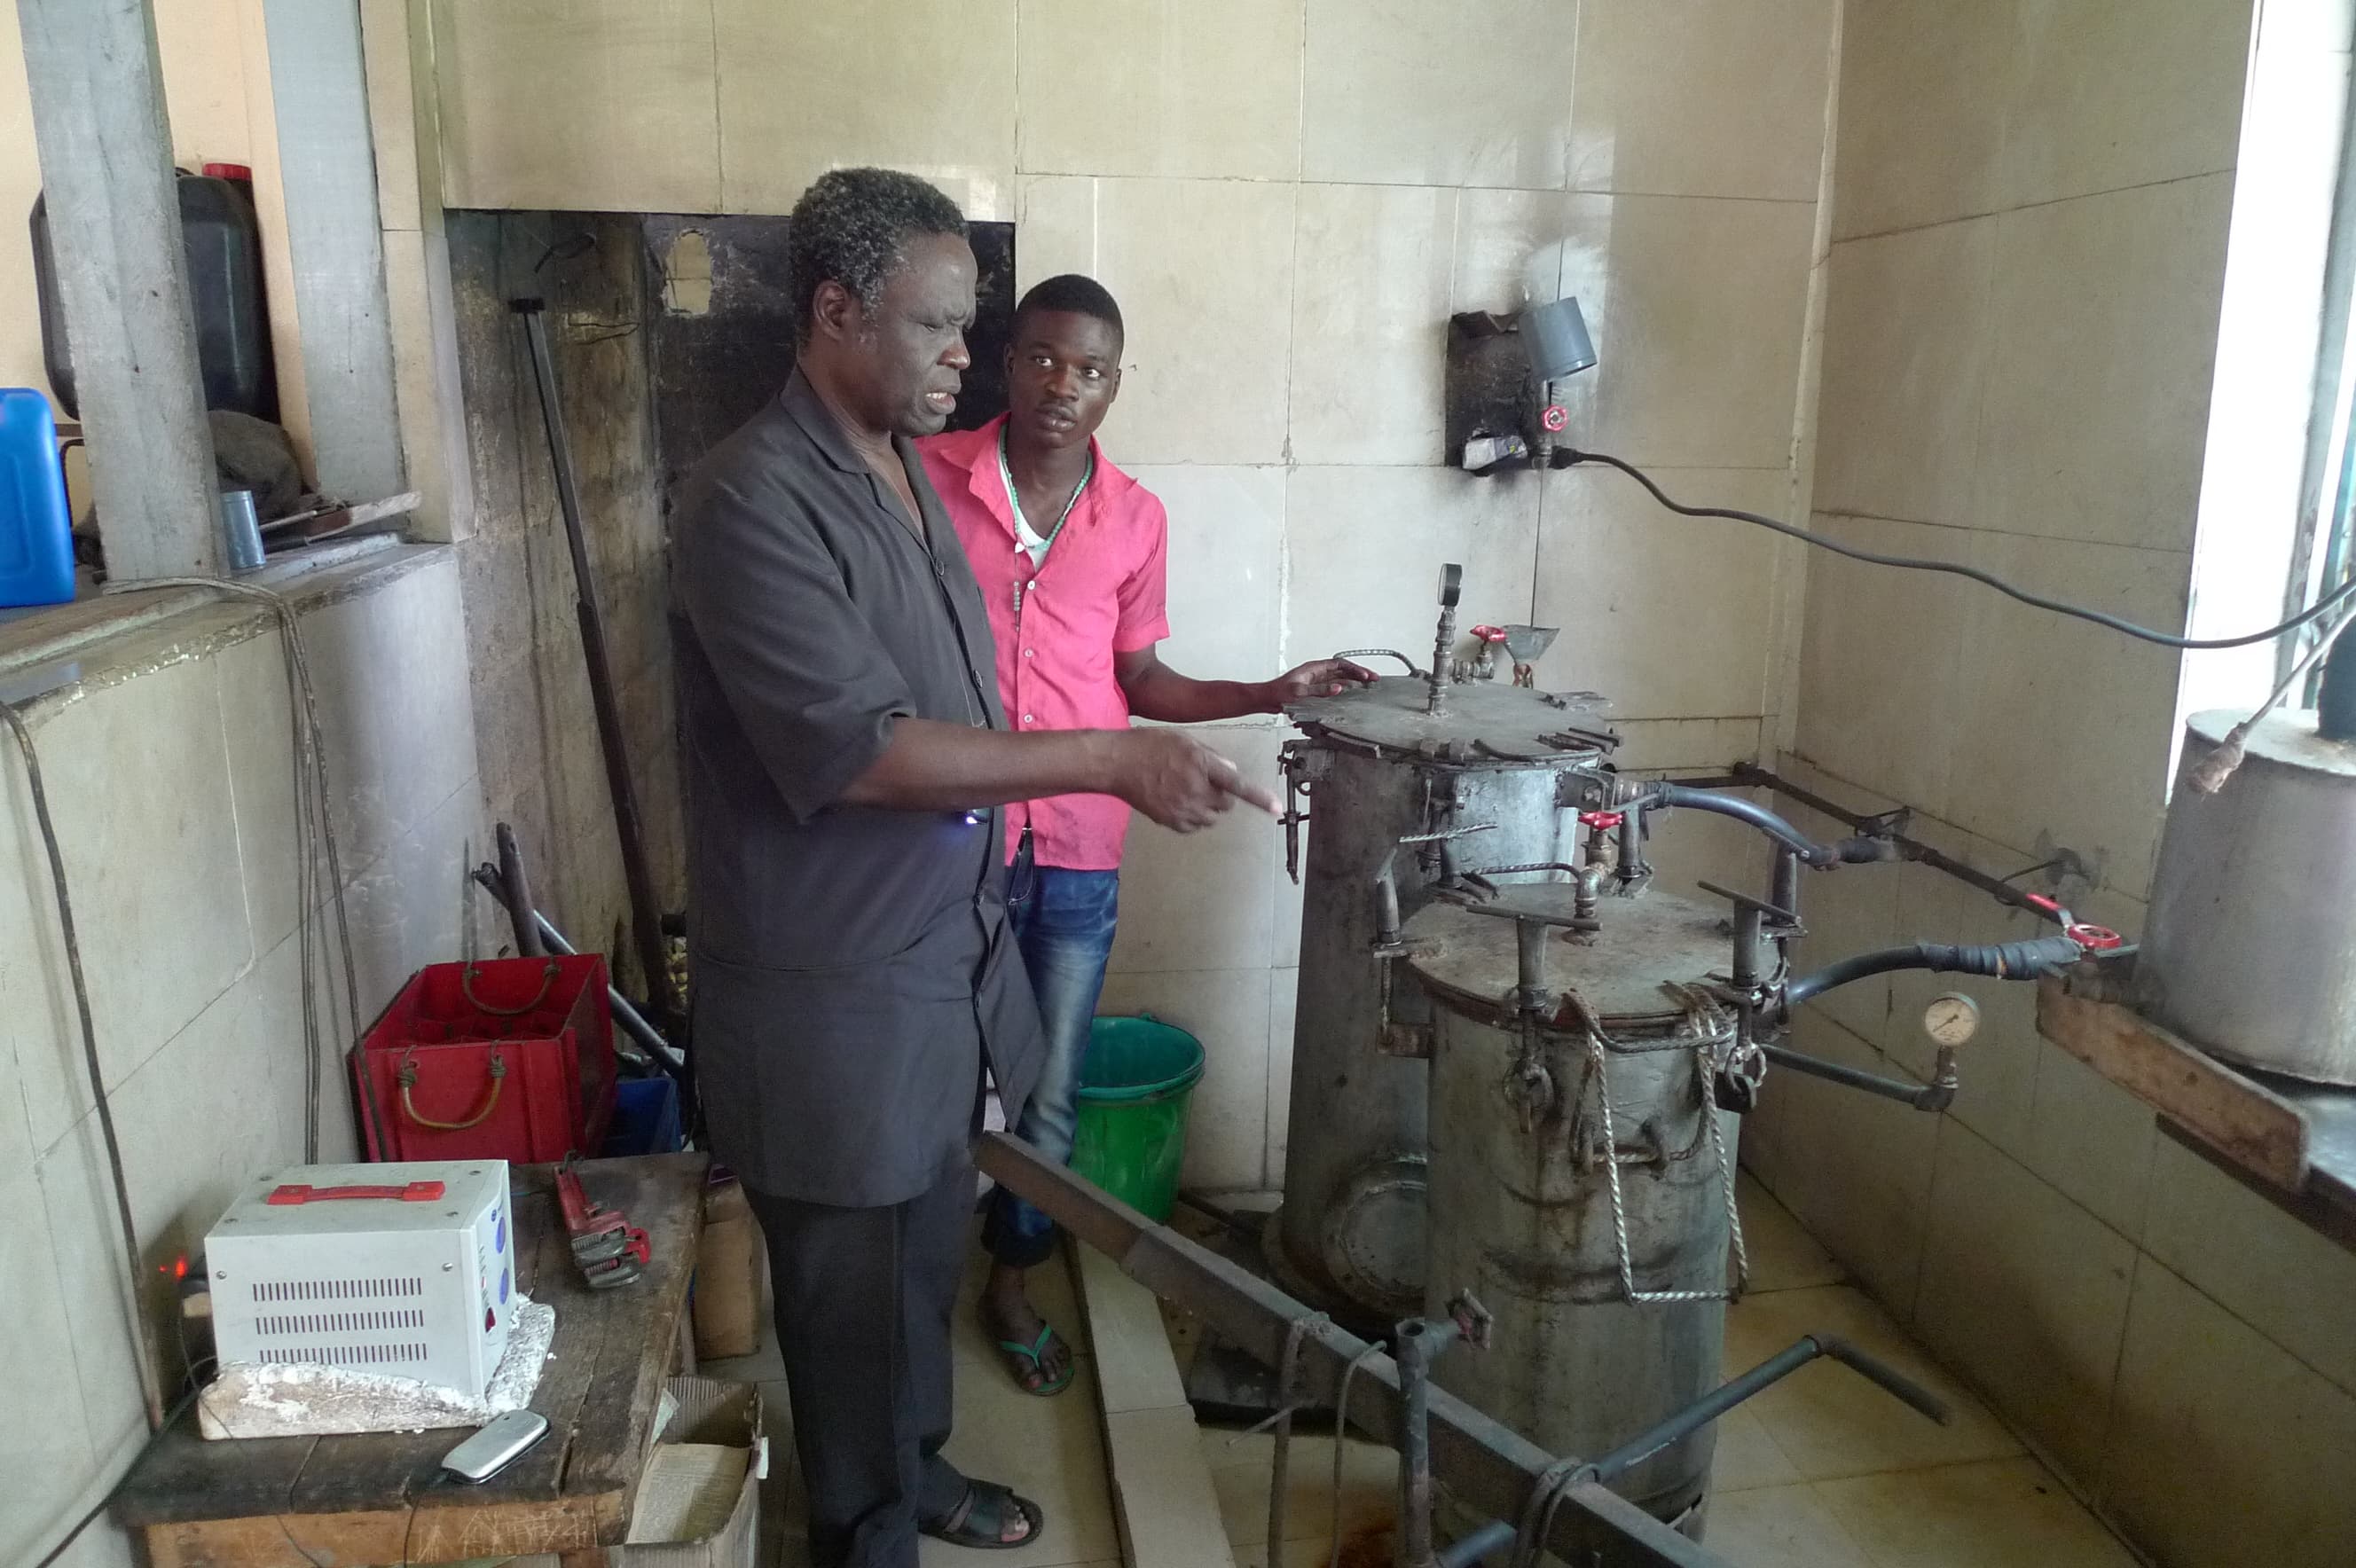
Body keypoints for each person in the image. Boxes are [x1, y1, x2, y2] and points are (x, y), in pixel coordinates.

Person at [670, 169, 1276, 1568]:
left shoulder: (897, 469)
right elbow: (864, 753)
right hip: (837, 992)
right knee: (846, 1298)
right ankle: (866, 1529)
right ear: (834, 312)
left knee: (921, 1252)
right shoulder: (753, 498)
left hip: (946, 957)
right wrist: (1109, 759)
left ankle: (919, 1468)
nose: (966, 356)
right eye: (939, 327)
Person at [918, 275, 1372, 1398]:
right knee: (924, 1078)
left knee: (1050, 1090)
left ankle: (1012, 1281)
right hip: (937, 845)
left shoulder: (1134, 519)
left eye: (1089, 369)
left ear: (1116, 384)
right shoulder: (922, 482)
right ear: (1005, 362)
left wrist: (1270, 686)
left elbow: (1140, 682)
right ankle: (912, 1289)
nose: (1061, 387)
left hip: (1074, 848)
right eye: (1040, 359)